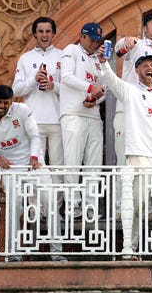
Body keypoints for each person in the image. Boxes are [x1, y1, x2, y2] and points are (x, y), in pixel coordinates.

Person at [97, 48, 152, 260]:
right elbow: (111, 80)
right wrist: (105, 63)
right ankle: (130, 250)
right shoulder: (130, 91)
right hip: (139, 157)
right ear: (137, 70)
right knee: (137, 205)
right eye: (145, 65)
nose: (149, 68)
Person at [0, 85, 65, 262]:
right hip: (10, 168)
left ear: (11, 102)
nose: (2, 106)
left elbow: (34, 136)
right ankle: (14, 253)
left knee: (50, 204)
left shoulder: (22, 110)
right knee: (14, 208)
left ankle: (57, 253)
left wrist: (33, 157)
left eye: (6, 103)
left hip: (34, 164)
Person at [12, 17, 64, 205]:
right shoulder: (26, 58)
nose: (44, 35)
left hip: (58, 119)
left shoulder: (62, 55)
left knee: (58, 167)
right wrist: (34, 80)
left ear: (53, 33)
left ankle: (55, 209)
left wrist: (53, 86)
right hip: (33, 120)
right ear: (35, 33)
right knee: (35, 166)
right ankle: (35, 207)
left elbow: (69, 88)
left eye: (48, 31)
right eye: (40, 31)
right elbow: (16, 90)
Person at [113, 13, 152, 166]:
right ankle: (123, 191)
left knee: (147, 160)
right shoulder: (138, 45)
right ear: (144, 29)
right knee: (125, 160)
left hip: (150, 114)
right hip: (128, 110)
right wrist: (127, 41)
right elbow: (118, 49)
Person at [60, 22, 106, 219]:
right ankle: (73, 207)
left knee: (94, 164)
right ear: (82, 36)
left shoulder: (98, 60)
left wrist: (94, 97)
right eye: (92, 40)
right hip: (73, 113)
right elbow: (66, 77)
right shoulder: (71, 50)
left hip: (93, 113)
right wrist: (89, 89)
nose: (94, 45)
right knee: (72, 161)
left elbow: (104, 90)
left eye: (97, 42)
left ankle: (90, 207)